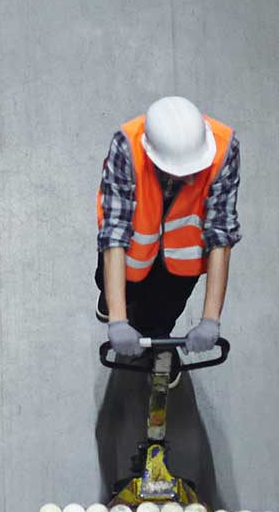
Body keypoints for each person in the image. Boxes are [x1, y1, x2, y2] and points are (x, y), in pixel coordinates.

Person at [95, 96, 239, 360]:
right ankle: (112, 300)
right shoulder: (127, 147)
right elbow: (114, 232)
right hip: (131, 253)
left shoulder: (223, 149)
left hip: (183, 258)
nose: (189, 177)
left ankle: (159, 348)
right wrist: (117, 319)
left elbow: (220, 234)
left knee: (162, 315)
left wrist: (210, 319)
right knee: (118, 288)